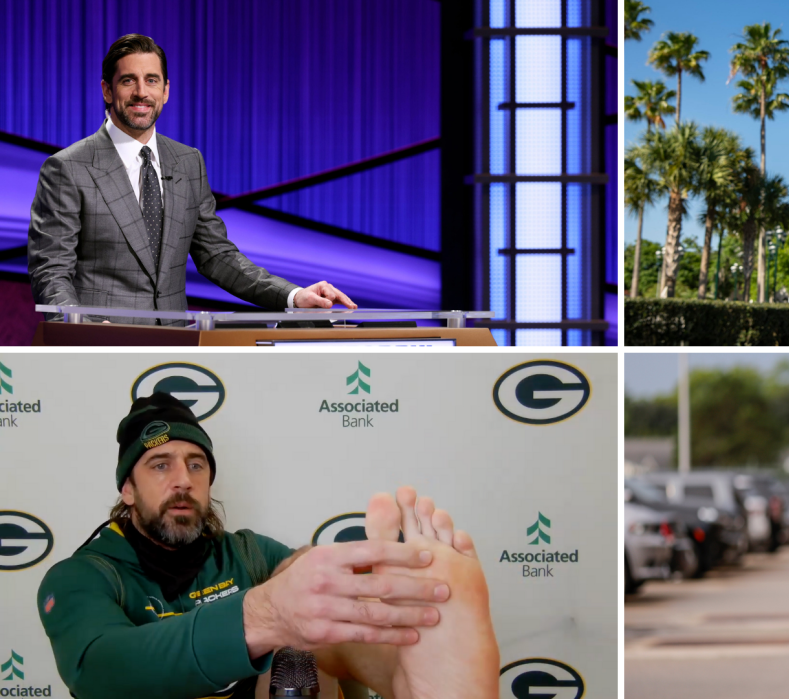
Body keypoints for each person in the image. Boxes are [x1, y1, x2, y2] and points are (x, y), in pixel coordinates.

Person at [37, 392, 499, 699]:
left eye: (197, 465)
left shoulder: (246, 553)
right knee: (293, 619)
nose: (183, 481)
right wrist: (264, 614)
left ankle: (416, 679)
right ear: (128, 490)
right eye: (160, 465)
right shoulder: (82, 576)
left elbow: (301, 580)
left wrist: (321, 575)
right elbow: (96, 669)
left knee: (321, 623)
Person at [27, 34, 357, 325]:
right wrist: (79, 326)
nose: (141, 92)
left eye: (152, 80)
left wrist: (293, 296)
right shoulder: (68, 168)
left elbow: (217, 256)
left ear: (166, 91)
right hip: (100, 352)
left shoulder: (188, 162)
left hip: (177, 356)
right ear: (107, 90)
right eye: (128, 80)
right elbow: (52, 272)